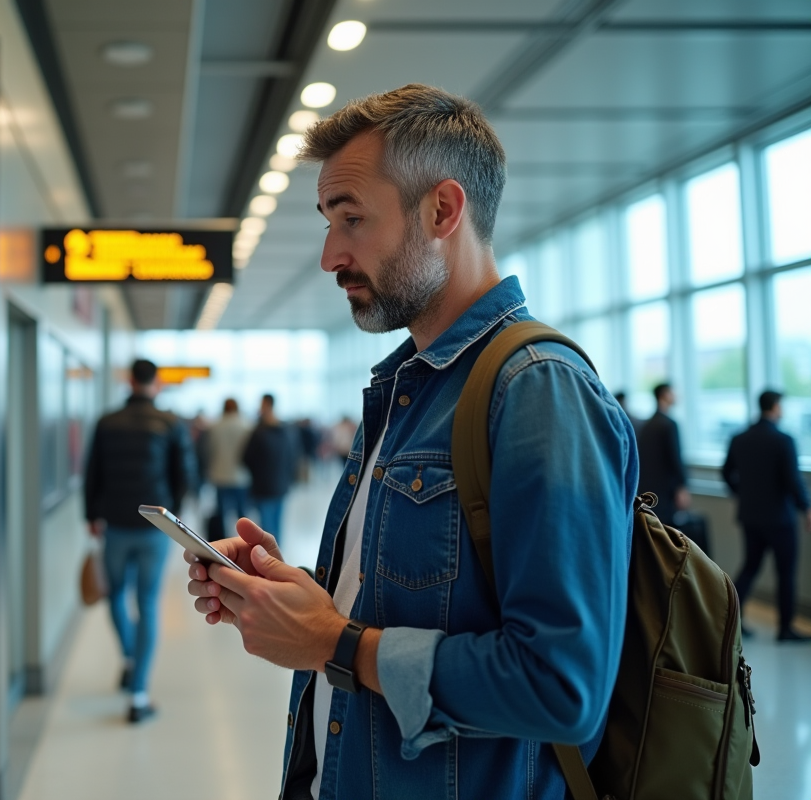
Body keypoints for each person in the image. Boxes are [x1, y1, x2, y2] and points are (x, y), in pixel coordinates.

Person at [184, 83, 636, 800]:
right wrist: (298, 600)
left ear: (443, 211)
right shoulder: (407, 390)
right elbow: (416, 606)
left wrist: (333, 642)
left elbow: (561, 686)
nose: (330, 255)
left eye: (352, 219)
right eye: (328, 223)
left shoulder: (536, 391)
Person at [84, 359, 195, 723]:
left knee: (116, 594)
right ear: (156, 383)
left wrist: (91, 515)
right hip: (154, 526)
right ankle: (139, 695)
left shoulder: (107, 422)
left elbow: (92, 472)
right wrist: (173, 516)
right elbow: (185, 475)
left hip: (115, 524)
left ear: (130, 381)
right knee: (147, 602)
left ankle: (130, 658)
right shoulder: (170, 423)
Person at [723, 390, 811, 642]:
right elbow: (792, 480)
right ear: (774, 407)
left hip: (751, 516)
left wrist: (742, 493)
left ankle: (730, 621)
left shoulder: (739, 438)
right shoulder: (783, 440)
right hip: (779, 518)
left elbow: (727, 472)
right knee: (785, 573)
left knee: (750, 567)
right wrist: (806, 507)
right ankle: (785, 628)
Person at [242, 394, 296, 544]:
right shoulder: (286, 431)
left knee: (267, 528)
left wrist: (257, 474)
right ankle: (275, 554)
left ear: (266, 405)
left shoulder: (259, 431)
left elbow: (246, 458)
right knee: (276, 526)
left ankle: (269, 554)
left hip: (264, 486)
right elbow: (292, 457)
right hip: (280, 484)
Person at [636, 383, 689, 525]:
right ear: (664, 395)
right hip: (666, 491)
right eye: (672, 392)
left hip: (649, 490)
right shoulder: (668, 424)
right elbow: (675, 458)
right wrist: (681, 487)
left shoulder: (647, 425)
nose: (676, 396)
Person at [203, 398, 252, 534]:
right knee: (242, 513)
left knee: (221, 512)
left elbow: (209, 450)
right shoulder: (246, 426)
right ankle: (245, 539)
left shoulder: (215, 426)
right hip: (241, 475)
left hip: (220, 475)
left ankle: (224, 541)